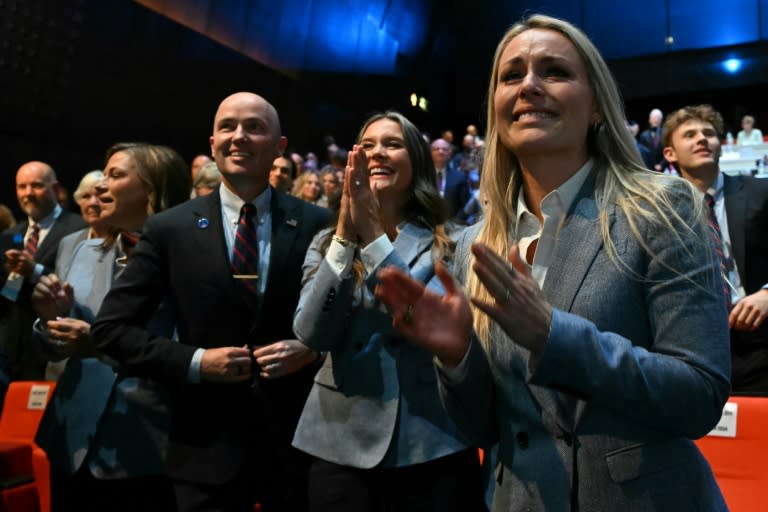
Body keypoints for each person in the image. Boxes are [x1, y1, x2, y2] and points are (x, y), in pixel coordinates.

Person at [374, 14, 730, 511]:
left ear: (597, 108)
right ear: (497, 108)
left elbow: (699, 395)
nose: (530, 87)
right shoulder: (475, 245)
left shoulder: (663, 208)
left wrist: (552, 335)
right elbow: (481, 429)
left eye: (555, 72)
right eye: (512, 75)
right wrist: (457, 358)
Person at [91, 92, 330, 511]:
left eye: (254, 127)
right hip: (202, 448)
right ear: (212, 142)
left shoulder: (318, 223)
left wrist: (312, 350)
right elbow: (111, 329)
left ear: (280, 147)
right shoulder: (170, 228)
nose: (239, 136)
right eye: (228, 127)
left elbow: (348, 321)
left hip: (298, 445)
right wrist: (197, 362)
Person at [292, 111, 483, 511]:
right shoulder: (325, 243)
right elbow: (311, 334)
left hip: (431, 440)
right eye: (368, 145)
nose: (377, 153)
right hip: (338, 442)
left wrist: (374, 235)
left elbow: (421, 319)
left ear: (417, 163)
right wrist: (346, 235)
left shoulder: (453, 242)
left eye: (392, 144)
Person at [32, 143, 190, 511]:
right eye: (103, 174)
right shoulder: (81, 249)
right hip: (72, 439)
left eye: (115, 175)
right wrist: (48, 320)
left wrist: (101, 345)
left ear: (153, 188)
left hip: (146, 441)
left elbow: (189, 351)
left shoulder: (188, 257)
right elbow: (57, 347)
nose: (99, 186)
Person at [663, 105, 768, 391]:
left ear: (720, 145)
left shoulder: (761, 192)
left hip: (760, 341)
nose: (702, 139)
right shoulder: (658, 213)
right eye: (690, 135)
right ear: (669, 154)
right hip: (693, 349)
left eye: (709, 133)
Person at [0, 161, 85, 380]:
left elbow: (77, 283)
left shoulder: (78, 229)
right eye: (22, 187)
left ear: (55, 189)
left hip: (51, 346)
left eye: (36, 185)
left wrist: (35, 270)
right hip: (9, 346)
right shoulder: (13, 234)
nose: (28, 193)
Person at [42, 169, 110, 381]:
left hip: (105, 357)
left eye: (99, 196)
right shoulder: (69, 242)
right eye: (85, 196)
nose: (92, 203)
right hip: (66, 360)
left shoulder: (129, 242)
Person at [432, 138, 470, 220]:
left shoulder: (459, 177)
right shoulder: (422, 176)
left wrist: (454, 225)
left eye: (444, 149)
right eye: (436, 149)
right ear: (430, 153)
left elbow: (465, 206)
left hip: (453, 227)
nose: (440, 152)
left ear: (449, 154)